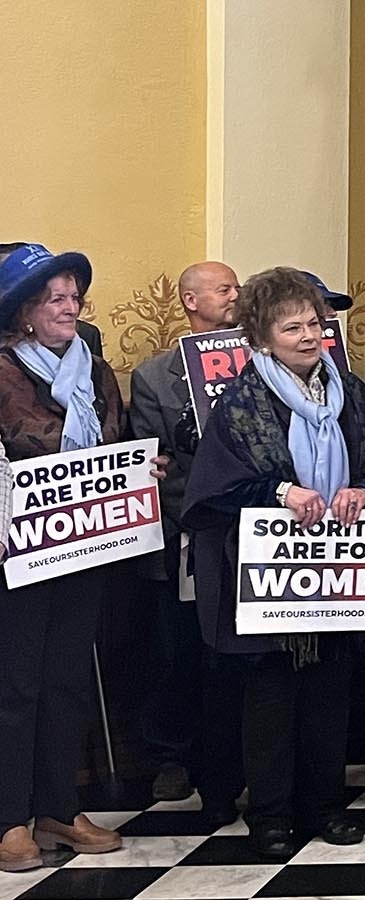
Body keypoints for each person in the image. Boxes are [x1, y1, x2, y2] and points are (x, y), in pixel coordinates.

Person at [182, 267, 365, 861]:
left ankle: (325, 805)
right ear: (262, 336)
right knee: (272, 697)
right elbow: (215, 490)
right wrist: (281, 493)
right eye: (292, 326)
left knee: (331, 689)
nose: (309, 336)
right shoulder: (242, 403)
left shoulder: (351, 393)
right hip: (267, 575)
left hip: (341, 568)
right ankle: (271, 814)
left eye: (316, 324)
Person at [0, 245, 140, 871]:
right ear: (24, 312)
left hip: (84, 546)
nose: (69, 306)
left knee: (67, 679)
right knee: (17, 685)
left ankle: (58, 806)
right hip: (17, 551)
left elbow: (119, 438)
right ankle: (10, 818)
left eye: (74, 296)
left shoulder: (99, 370)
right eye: (54, 298)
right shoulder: (1, 369)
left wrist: (141, 467)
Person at [129, 261, 245, 822]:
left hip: (256, 524)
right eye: (223, 289)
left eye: (237, 288)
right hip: (186, 531)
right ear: (191, 301)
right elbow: (155, 462)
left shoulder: (261, 362)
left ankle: (240, 758)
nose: (234, 296)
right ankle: (171, 757)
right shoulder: (154, 377)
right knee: (178, 651)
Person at [0, 242, 103, 355]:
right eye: (58, 300)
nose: (73, 310)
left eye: (75, 297)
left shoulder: (90, 345)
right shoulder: (6, 367)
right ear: (25, 313)